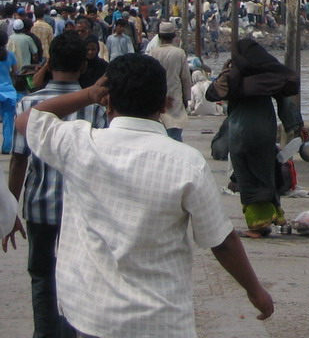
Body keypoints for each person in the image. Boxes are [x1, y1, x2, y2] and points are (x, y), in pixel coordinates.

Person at [14, 53, 274, 335]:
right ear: (164, 104)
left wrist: (89, 94)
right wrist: (254, 290)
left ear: (108, 101)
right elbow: (221, 241)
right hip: (160, 318)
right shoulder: (186, 162)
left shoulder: (79, 143)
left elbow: (28, 120)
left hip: (92, 313)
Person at [7, 33, 107, 337]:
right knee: (79, 279)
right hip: (82, 214)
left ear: (49, 63)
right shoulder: (97, 107)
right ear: (82, 65)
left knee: (42, 277)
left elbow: (18, 161)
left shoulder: (29, 103)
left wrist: (10, 210)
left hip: (40, 209)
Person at [207, 38, 308, 235]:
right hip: (265, 128)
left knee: (246, 175)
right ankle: (274, 215)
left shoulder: (233, 75)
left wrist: (225, 71)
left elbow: (212, 94)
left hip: (241, 130)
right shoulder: (269, 76)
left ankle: (258, 225)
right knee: (266, 171)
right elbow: (285, 102)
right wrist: (297, 126)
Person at [147, 22, 191, 141]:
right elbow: (186, 78)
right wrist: (186, 99)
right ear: (173, 36)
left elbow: (149, 79)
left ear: (159, 36)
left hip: (157, 99)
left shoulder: (153, 53)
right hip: (175, 97)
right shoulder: (179, 53)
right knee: (175, 134)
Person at [0, 31, 19, 153]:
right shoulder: (10, 55)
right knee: (8, 120)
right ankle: (7, 147)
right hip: (9, 92)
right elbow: (16, 73)